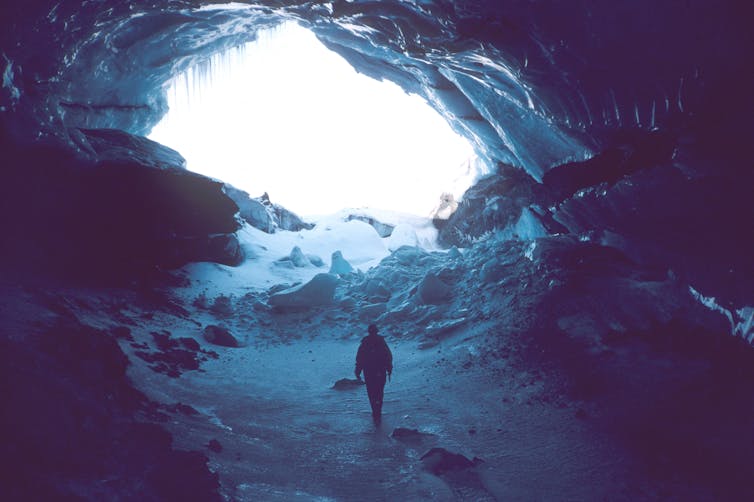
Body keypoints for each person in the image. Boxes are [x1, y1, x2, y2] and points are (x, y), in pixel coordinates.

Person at [355, 324, 393, 424]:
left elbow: (360, 359)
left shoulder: (365, 343)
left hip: (369, 372)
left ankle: (374, 411)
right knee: (379, 391)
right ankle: (378, 411)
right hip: (380, 371)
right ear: (377, 331)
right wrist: (389, 368)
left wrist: (357, 371)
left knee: (371, 392)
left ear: (369, 331)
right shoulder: (381, 342)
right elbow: (388, 356)